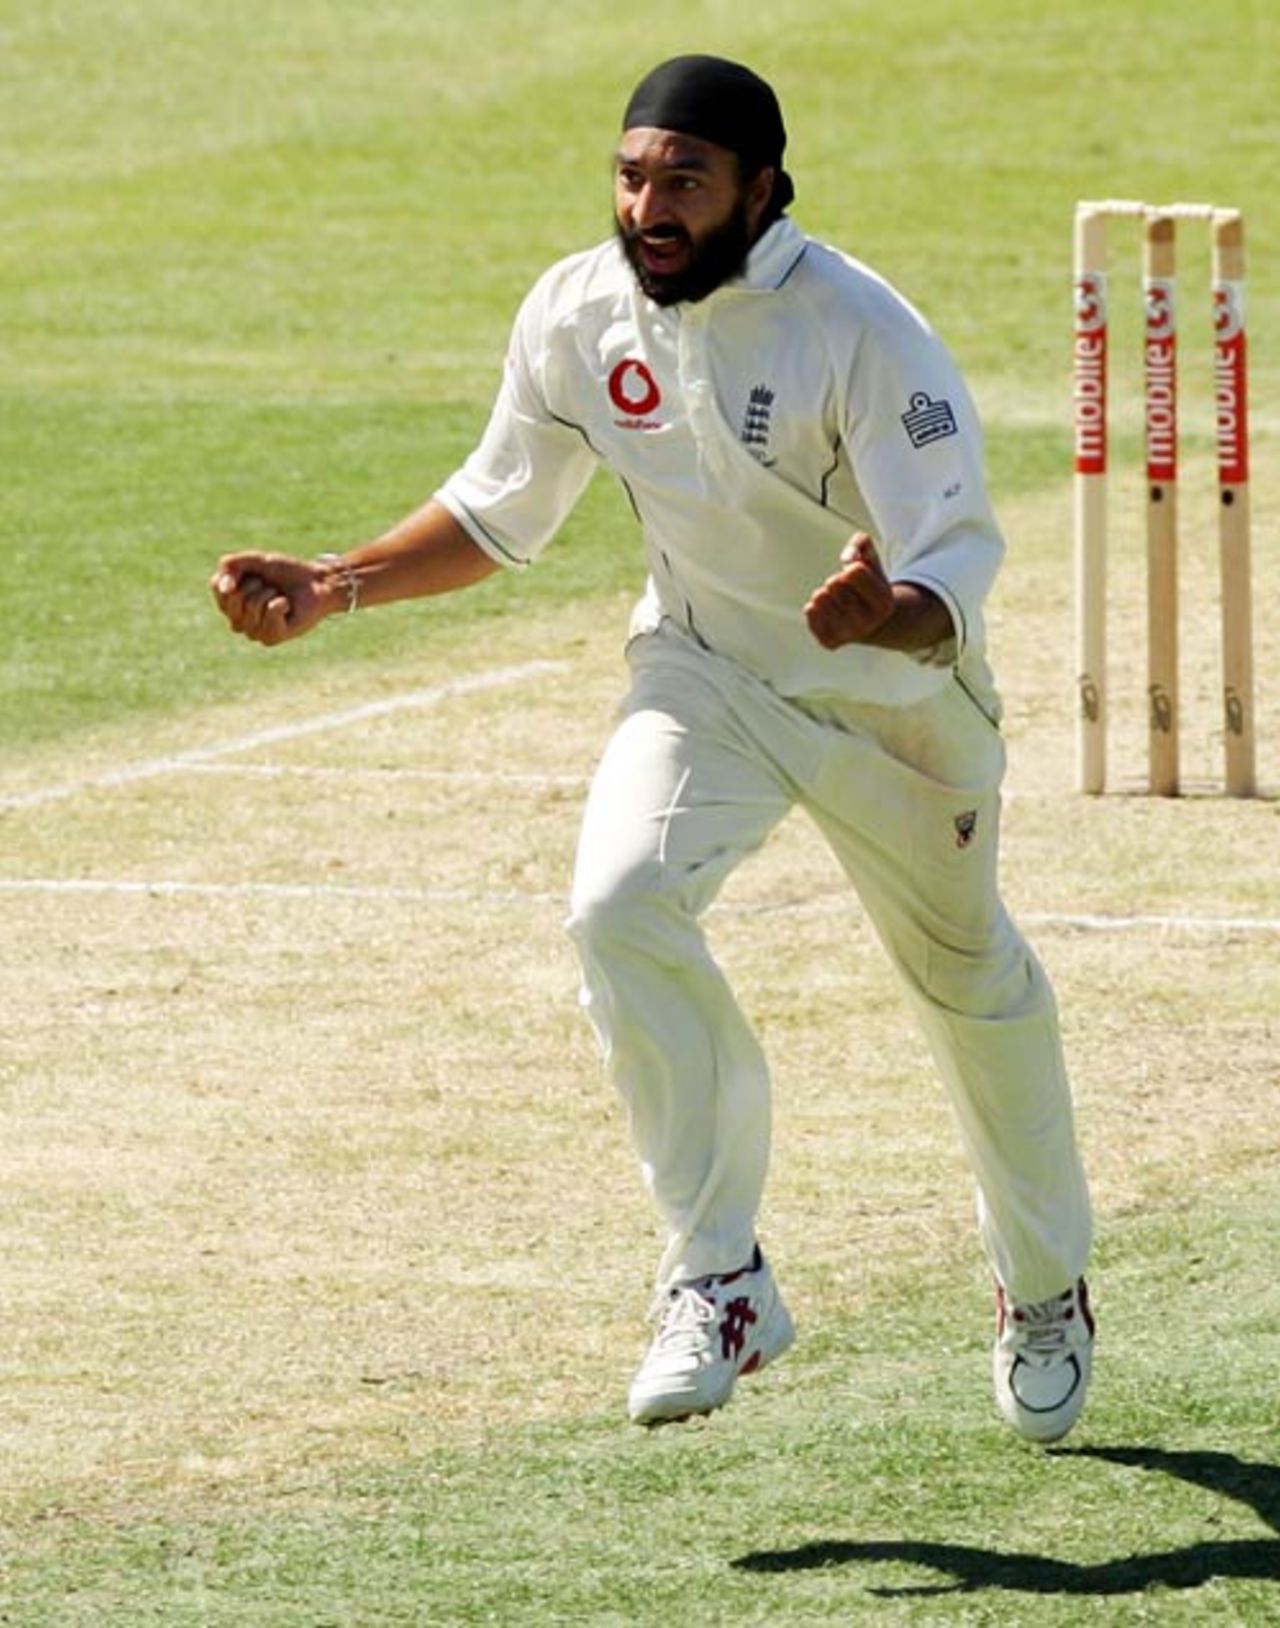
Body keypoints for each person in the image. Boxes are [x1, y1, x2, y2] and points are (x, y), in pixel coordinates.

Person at [211, 54, 1095, 1442]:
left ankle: (1042, 1286)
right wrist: (337, 584)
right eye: (631, 177)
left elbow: (952, 560)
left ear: (763, 189)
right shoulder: (579, 312)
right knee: (617, 907)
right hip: (705, 673)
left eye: (685, 180)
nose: (648, 207)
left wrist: (888, 615)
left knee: (968, 980)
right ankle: (719, 1277)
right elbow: (498, 509)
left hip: (892, 701)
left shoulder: (862, 330)